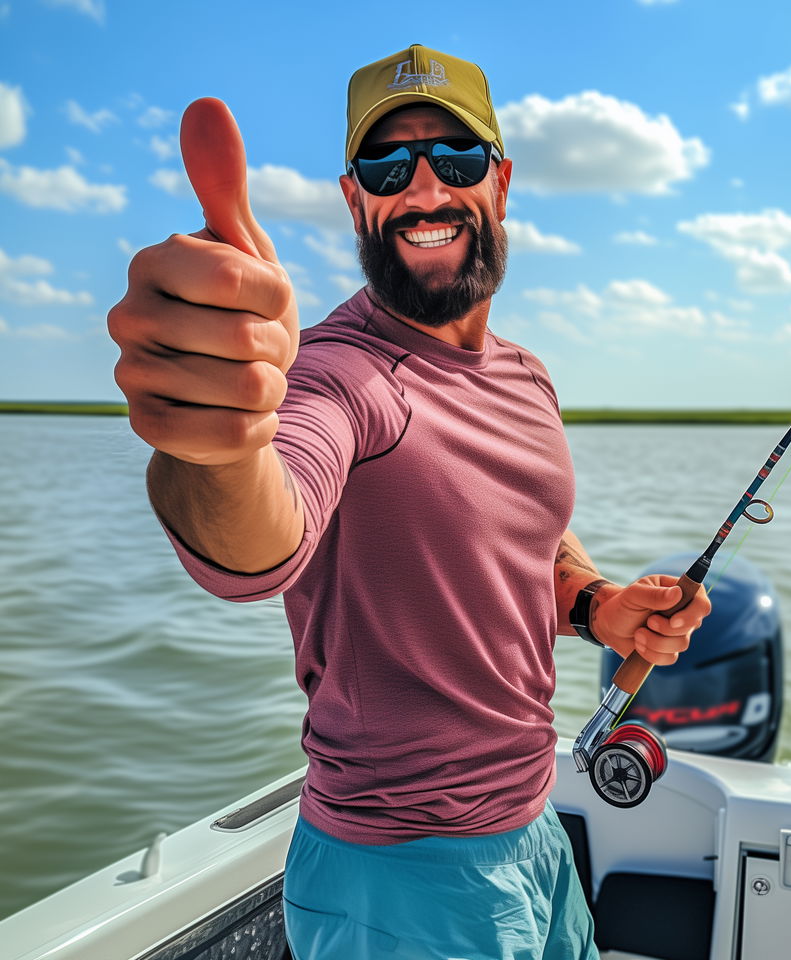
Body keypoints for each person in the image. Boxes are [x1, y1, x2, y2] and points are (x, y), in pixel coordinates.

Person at [108, 44, 711, 960]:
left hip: (536, 836)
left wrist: (599, 606)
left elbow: (522, 537)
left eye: (454, 160)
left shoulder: (525, 377)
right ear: (357, 201)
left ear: (500, 184)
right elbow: (259, 536)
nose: (425, 189)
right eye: (389, 167)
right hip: (398, 880)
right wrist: (215, 440)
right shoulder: (340, 376)